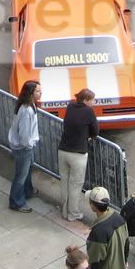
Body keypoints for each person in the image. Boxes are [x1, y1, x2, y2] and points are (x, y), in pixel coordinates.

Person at [58, 88, 98, 222]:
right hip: (78, 154)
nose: (94, 102)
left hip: (63, 150)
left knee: (64, 182)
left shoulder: (70, 107)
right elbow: (95, 130)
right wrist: (90, 136)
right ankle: (73, 213)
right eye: (92, 100)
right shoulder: (88, 111)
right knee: (75, 185)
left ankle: (64, 211)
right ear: (86, 100)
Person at [85, 186, 129, 269]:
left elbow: (95, 260)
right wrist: (125, 260)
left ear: (92, 206)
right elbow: (127, 242)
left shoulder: (98, 232)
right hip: (118, 266)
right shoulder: (119, 218)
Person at [8, 79, 41, 212]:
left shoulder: (28, 106)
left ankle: (28, 191)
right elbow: (25, 134)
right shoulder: (27, 110)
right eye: (38, 91)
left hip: (25, 146)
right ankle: (16, 202)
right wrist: (29, 144)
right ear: (31, 93)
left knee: (26, 171)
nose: (40, 93)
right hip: (23, 148)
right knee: (21, 175)